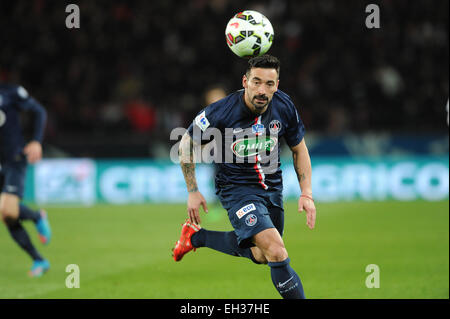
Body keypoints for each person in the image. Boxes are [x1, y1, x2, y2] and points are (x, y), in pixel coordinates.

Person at [172, 55, 316, 299]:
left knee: (262, 255)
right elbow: (186, 143)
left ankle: (197, 237)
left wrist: (306, 193)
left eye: (269, 84)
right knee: (277, 251)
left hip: (272, 190)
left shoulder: (284, 106)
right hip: (236, 190)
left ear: (277, 85)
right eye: (256, 82)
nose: (262, 90)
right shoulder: (221, 111)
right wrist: (193, 190)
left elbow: (299, 148)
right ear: (245, 81)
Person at [0, 83, 51, 277]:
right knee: (8, 216)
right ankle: (39, 259)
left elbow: (39, 111)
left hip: (14, 159)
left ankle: (37, 218)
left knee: (6, 210)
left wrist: (36, 140)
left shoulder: (10, 93)